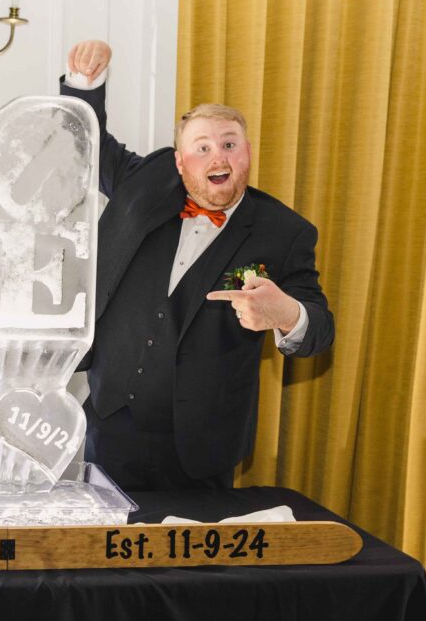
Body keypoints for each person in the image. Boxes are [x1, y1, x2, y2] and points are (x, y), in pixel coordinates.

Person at [60, 40, 334, 492]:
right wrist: (84, 85)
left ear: (247, 152)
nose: (218, 157)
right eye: (202, 147)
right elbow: (87, 147)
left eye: (229, 144)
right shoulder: (146, 180)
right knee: (105, 554)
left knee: (192, 562)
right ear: (180, 161)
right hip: (111, 424)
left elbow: (320, 329)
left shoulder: (285, 232)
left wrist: (285, 314)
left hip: (201, 447)